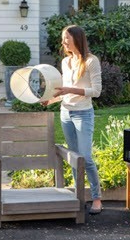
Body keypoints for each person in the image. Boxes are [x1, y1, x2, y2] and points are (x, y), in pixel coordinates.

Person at [43, 25, 103, 215]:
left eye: (66, 38)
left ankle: (96, 197)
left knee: (85, 157)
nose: (63, 42)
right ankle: (79, 196)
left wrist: (69, 90)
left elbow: (96, 91)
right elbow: (64, 91)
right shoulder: (65, 62)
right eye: (63, 38)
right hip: (66, 114)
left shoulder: (91, 61)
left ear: (77, 39)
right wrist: (51, 99)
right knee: (74, 158)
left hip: (83, 114)